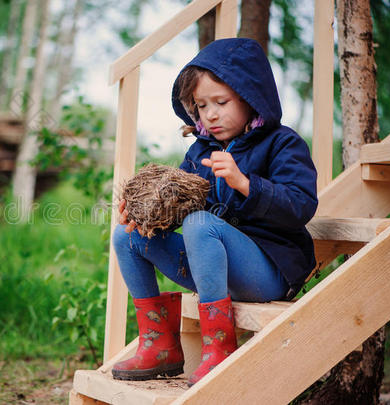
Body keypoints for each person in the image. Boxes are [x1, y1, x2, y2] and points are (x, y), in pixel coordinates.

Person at [111, 38, 318, 386]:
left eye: (221, 102)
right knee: (126, 234)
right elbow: (177, 207)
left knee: (200, 223)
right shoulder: (200, 151)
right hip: (211, 269)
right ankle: (160, 344)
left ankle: (220, 348)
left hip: (268, 270)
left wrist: (245, 183)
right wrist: (144, 211)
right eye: (201, 105)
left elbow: (301, 206)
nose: (210, 114)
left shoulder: (282, 143)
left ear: (251, 98)